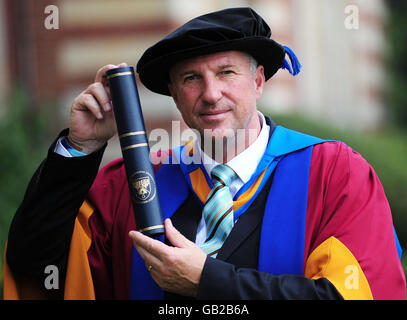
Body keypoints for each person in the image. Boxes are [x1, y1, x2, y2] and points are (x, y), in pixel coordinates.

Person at [4, 7, 406, 300]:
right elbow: (37, 270)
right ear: (176, 96)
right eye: (192, 79)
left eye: (227, 73)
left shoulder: (334, 175)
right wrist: (80, 148)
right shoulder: (130, 186)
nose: (211, 94)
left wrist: (207, 280)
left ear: (259, 80)